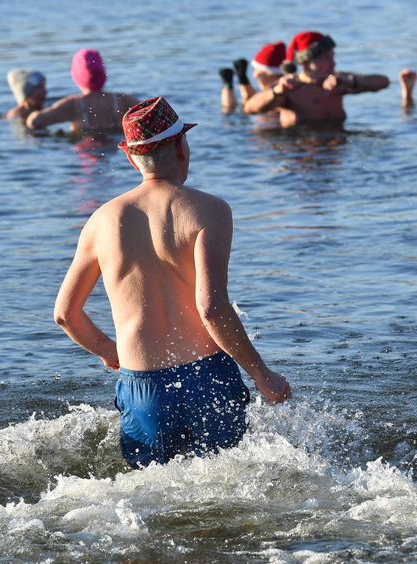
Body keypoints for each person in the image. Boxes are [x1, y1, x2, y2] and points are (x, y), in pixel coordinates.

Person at [53, 97, 291, 468]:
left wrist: (109, 352)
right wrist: (262, 374)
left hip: (143, 387)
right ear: (182, 146)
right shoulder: (209, 210)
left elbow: (66, 314)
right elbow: (211, 308)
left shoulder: (101, 221)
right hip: (208, 378)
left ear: (132, 158)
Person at [243, 31, 390, 126]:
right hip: (301, 152)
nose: (333, 63)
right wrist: (276, 91)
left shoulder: (337, 81)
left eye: (333, 57)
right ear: (306, 63)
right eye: (326, 58)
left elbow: (383, 82)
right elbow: (249, 108)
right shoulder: (290, 87)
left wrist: (352, 81)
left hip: (336, 145)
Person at [26, 48, 140, 133]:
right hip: (114, 147)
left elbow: (34, 121)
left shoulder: (73, 104)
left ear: (76, 76)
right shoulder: (122, 100)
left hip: (86, 147)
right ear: (103, 73)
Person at [220, 42, 286, 112]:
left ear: (270, 73)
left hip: (267, 120)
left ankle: (227, 86)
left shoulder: (280, 91)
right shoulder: (287, 86)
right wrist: (242, 79)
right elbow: (255, 99)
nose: (254, 75)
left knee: (229, 111)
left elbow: (248, 107)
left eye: (257, 70)